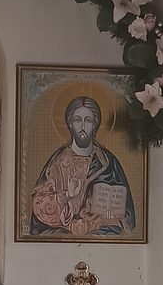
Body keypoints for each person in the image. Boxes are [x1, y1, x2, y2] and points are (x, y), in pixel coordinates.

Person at [30, 96, 136, 238]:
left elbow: (127, 217)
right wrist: (67, 195)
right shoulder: (58, 162)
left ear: (95, 125)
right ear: (70, 124)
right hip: (63, 234)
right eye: (77, 120)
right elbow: (40, 207)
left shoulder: (107, 162)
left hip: (100, 234)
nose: (82, 126)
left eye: (88, 120)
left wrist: (113, 216)